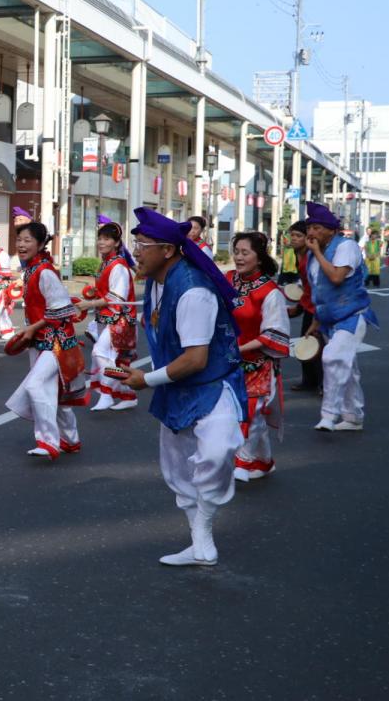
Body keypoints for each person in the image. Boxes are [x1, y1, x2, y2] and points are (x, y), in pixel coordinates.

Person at [119, 207, 246, 567]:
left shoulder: (193, 291)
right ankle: (200, 542)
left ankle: (203, 528)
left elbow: (195, 360)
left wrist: (145, 379)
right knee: (177, 471)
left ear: (168, 250)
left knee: (217, 455)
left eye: (143, 245)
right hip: (174, 388)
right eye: (136, 244)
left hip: (211, 386)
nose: (136, 252)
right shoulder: (157, 281)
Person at [5, 221, 88, 459]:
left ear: (41, 244)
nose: (21, 244)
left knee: (35, 385)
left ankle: (48, 441)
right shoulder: (31, 269)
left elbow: (62, 310)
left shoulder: (45, 272)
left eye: (27, 240)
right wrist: (30, 331)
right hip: (41, 341)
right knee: (57, 393)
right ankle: (70, 440)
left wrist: (32, 328)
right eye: (19, 240)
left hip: (58, 342)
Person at [305, 202, 378, 432]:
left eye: (317, 228)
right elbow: (320, 291)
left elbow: (336, 277)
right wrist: (315, 321)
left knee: (333, 358)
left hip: (352, 316)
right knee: (347, 369)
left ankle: (328, 415)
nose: (311, 233)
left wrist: (317, 253)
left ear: (331, 230)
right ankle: (354, 416)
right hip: (329, 319)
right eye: (309, 228)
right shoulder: (312, 255)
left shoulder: (346, 246)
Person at [226, 232, 290, 481]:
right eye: (236, 252)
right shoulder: (228, 279)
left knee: (250, 411)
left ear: (260, 258)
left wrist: (239, 349)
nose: (239, 257)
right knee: (232, 412)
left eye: (245, 253)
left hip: (257, 363)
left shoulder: (270, 292)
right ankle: (262, 461)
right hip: (228, 362)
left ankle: (243, 462)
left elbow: (273, 333)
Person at [79, 220, 138, 411]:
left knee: (99, 353)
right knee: (115, 360)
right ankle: (128, 395)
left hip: (120, 319)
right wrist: (92, 293)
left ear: (117, 243)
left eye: (106, 239)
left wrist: (89, 303)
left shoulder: (118, 266)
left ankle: (106, 393)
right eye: (100, 238)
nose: (101, 242)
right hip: (108, 317)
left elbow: (116, 298)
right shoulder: (106, 264)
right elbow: (106, 292)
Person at [284, 221, 322, 392]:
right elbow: (305, 285)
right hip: (308, 303)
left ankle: (322, 383)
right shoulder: (297, 253)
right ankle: (310, 381)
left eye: (298, 236)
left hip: (318, 305)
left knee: (316, 345)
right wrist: (299, 307)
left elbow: (317, 286)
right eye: (292, 235)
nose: (293, 238)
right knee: (305, 341)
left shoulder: (311, 256)